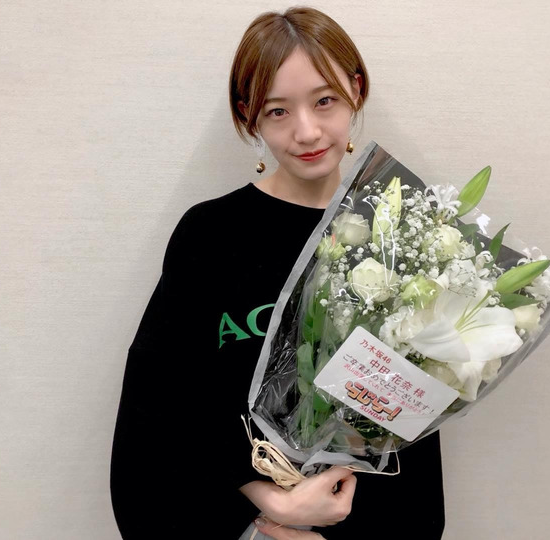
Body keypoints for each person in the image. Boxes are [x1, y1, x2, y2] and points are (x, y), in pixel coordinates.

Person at [110, 7, 445, 540]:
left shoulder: (396, 236)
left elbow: (411, 423)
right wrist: (270, 502)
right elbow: (160, 407)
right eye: (278, 111)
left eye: (324, 100)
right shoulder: (210, 235)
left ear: (356, 90)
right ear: (249, 115)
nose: (306, 131)